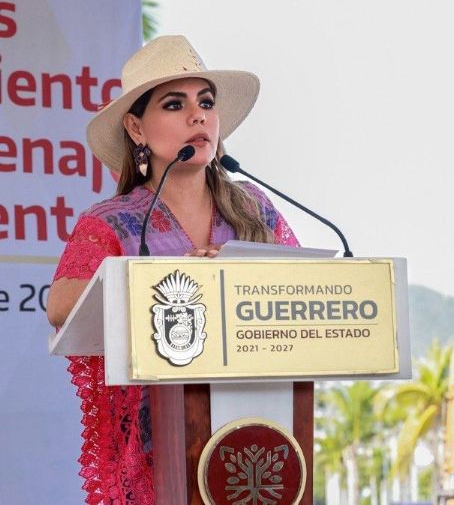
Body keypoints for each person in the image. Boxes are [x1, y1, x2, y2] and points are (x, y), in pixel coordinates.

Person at [46, 35, 300, 503]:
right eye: (174, 103)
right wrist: (173, 278)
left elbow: (302, 289)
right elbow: (60, 304)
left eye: (206, 102)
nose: (198, 115)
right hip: (156, 457)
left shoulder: (257, 210)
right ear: (136, 129)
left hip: (259, 444)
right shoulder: (113, 223)